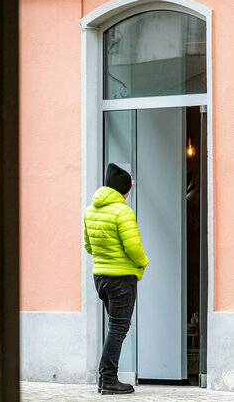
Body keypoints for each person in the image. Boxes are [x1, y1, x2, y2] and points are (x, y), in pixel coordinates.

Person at [83, 163, 149, 395]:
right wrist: (144, 262)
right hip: (121, 278)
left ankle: (105, 380)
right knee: (118, 328)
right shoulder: (122, 212)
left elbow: (88, 246)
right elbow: (133, 247)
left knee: (115, 327)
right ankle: (108, 379)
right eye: (129, 187)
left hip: (100, 277)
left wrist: (105, 259)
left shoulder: (91, 210)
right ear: (123, 190)